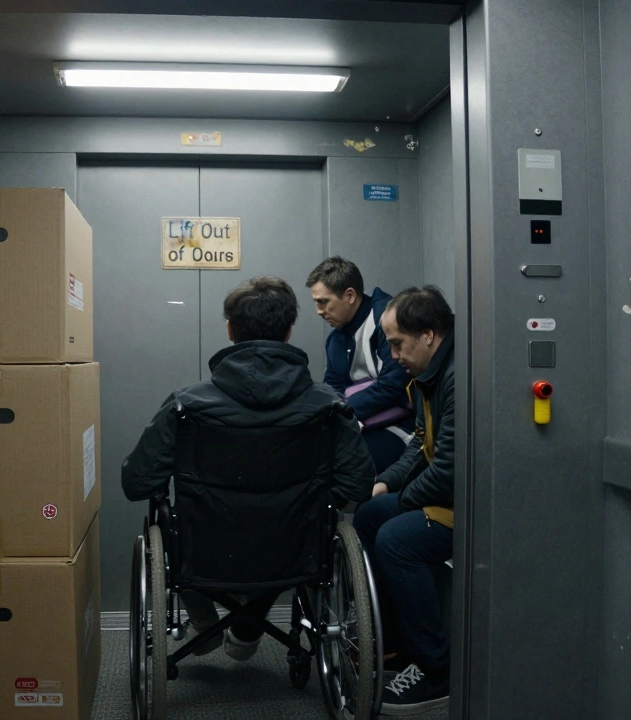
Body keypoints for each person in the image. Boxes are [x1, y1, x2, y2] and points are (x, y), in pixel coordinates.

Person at [122, 275, 375, 661]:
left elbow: (137, 483)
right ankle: (248, 626)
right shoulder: (328, 406)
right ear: (289, 332)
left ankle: (204, 622)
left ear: (230, 330)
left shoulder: (186, 406)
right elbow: (358, 484)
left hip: (205, 549)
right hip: (295, 551)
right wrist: (311, 505)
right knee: (290, 528)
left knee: (173, 526)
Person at [352, 285, 455, 715]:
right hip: (446, 496)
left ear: (427, 336)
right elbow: (419, 442)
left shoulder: (456, 377)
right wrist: (386, 483)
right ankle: (392, 642)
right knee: (369, 513)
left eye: (397, 344)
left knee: (396, 540)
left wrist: (405, 498)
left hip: (471, 507)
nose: (393, 356)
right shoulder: (428, 376)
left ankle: (435, 669)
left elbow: (448, 469)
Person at [306, 257, 415, 473]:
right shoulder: (335, 338)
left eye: (323, 301)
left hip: (403, 423)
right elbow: (332, 387)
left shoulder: (387, 320)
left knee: (345, 465)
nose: (319, 311)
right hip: (361, 422)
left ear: (349, 295)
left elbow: (393, 386)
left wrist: (342, 410)